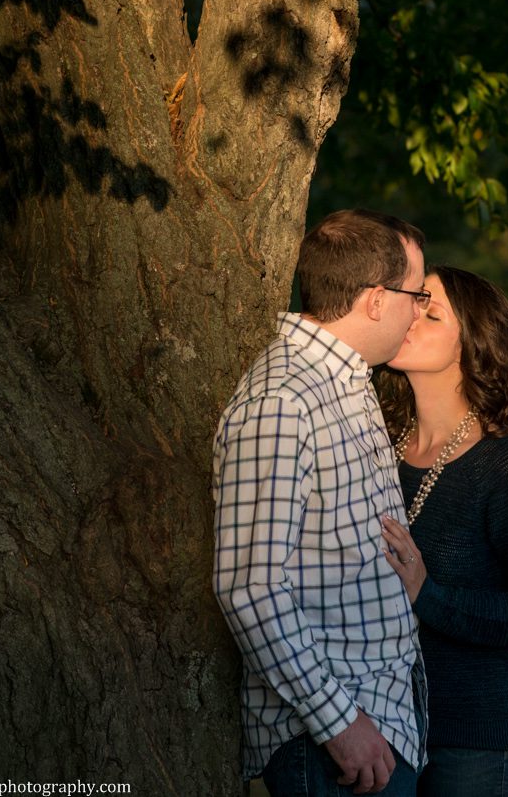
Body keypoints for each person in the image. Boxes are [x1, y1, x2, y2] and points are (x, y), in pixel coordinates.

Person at [213, 209, 430, 797]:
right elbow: (250, 587)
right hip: (330, 744)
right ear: (378, 300)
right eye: (415, 295)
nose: (420, 312)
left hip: (375, 727)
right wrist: (340, 725)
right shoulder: (284, 401)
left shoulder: (345, 385)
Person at [377, 266, 508, 797]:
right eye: (413, 302)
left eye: (431, 312)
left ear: (470, 347)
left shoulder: (504, 464)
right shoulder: (373, 447)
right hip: (382, 733)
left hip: (483, 739)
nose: (410, 318)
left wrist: (428, 596)